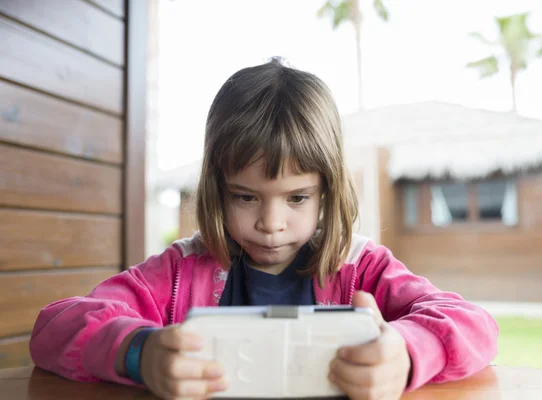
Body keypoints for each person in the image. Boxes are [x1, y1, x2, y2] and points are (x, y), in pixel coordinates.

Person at [30, 58, 498, 400]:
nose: (271, 225)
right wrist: (139, 353)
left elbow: (475, 326)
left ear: (328, 192)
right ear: (216, 191)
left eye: (297, 198)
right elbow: (55, 326)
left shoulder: (361, 267)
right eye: (245, 196)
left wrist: (407, 353)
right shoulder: (178, 272)